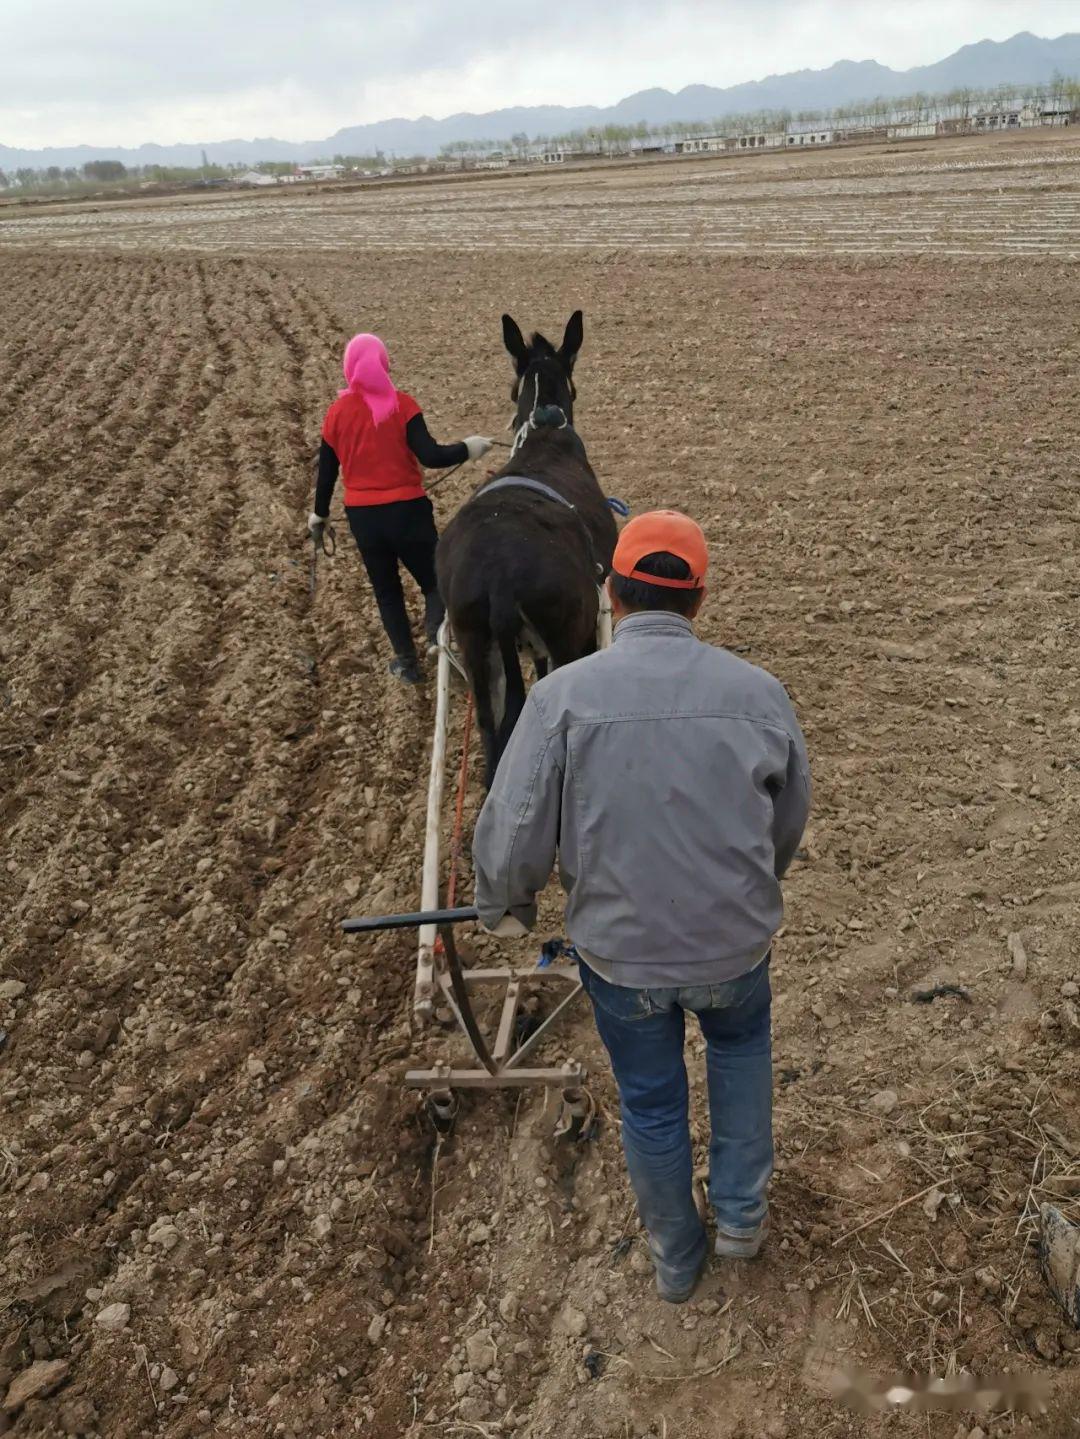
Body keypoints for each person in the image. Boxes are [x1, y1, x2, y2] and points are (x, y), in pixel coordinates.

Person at [472, 510, 810, 1303]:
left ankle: (673, 1256)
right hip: (735, 949)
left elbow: (515, 823)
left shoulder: (559, 698)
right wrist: (754, 886)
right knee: (740, 1057)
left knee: (652, 1102)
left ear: (611, 595)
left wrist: (507, 901)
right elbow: (785, 821)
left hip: (621, 962)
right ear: (697, 601)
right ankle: (740, 1222)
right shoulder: (760, 694)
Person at [308, 333, 492, 684]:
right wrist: (469, 448)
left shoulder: (336, 414)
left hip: (364, 519)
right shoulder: (402, 405)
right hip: (409, 512)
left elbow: (328, 474)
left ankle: (407, 664)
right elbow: (431, 456)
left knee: (387, 591)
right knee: (435, 582)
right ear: (383, 362)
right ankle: (438, 639)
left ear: (349, 367)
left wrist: (320, 515)